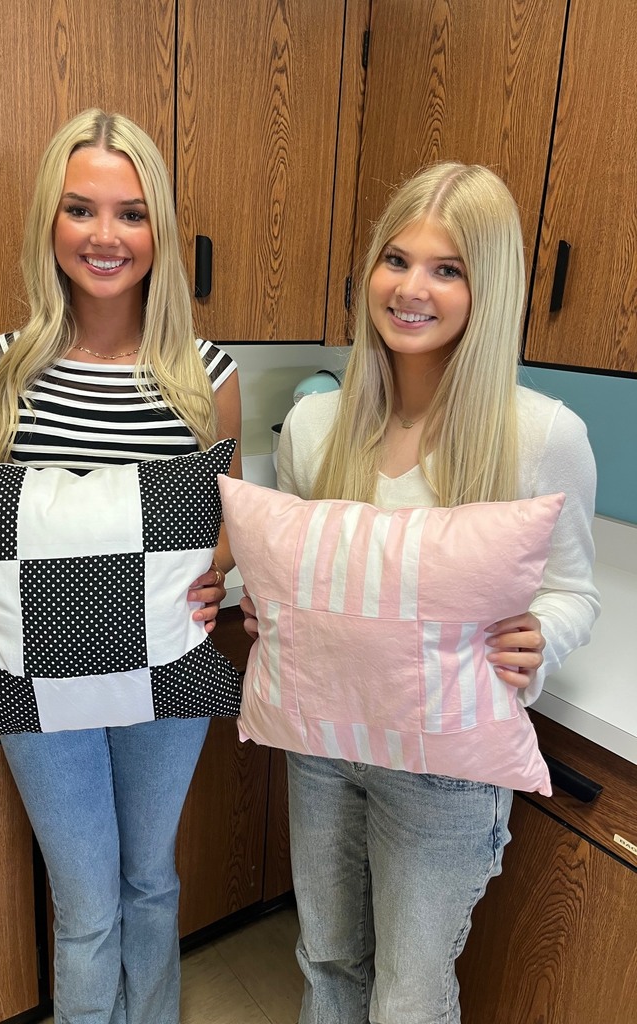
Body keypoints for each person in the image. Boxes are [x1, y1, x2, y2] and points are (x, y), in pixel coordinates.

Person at [240, 161, 599, 1024]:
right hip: (323, 746)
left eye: (448, 269)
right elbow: (301, 570)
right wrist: (269, 607)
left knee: (407, 998)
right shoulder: (317, 426)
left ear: (490, 289)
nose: (410, 289)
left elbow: (574, 591)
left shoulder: (542, 435)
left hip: (446, 771)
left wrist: (543, 634)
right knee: (327, 959)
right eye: (396, 260)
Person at [0, 108, 242, 1024]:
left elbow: (227, 521)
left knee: (150, 880)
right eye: (80, 209)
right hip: (35, 679)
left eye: (131, 212)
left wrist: (217, 573)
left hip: (169, 669)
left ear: (160, 229)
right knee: (83, 906)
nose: (105, 236)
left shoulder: (207, 374)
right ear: (50, 220)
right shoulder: (2, 368)